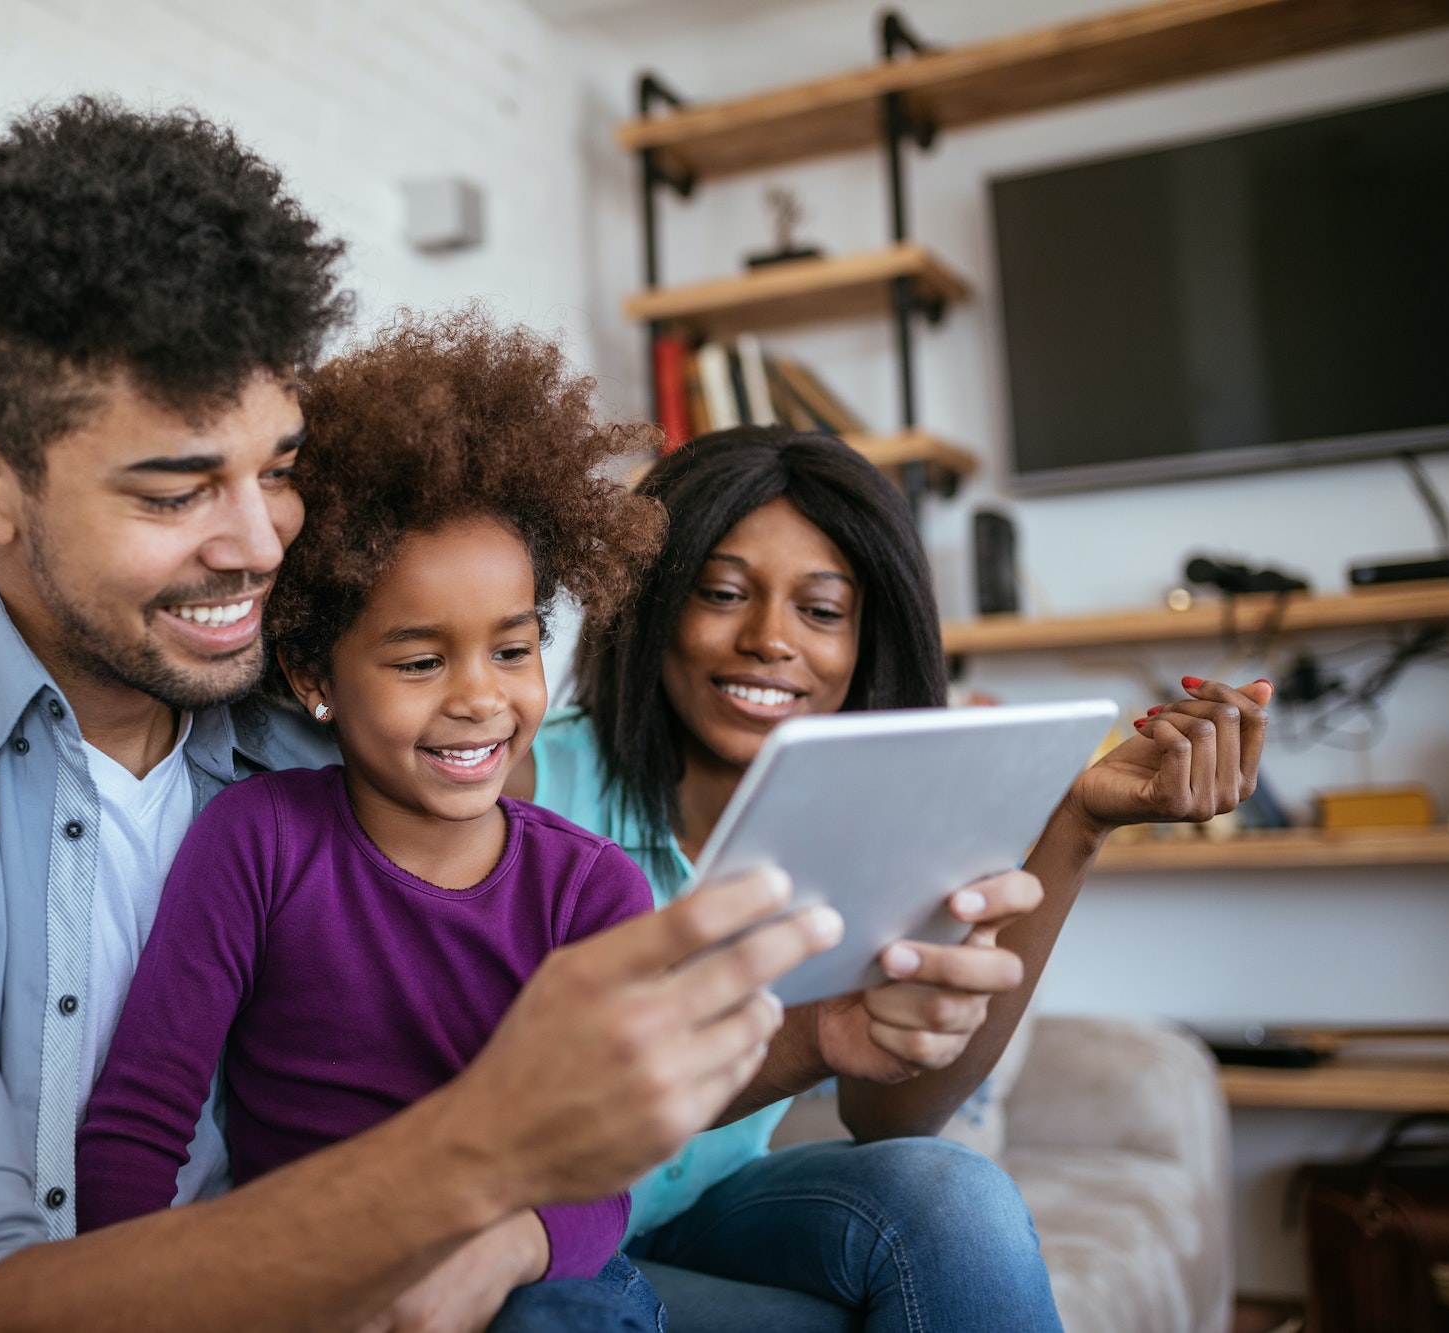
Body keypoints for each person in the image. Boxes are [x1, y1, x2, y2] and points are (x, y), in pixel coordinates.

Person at [0, 99, 841, 1333]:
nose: (257, 543)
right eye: (175, 493)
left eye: (277, 470)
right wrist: (476, 1150)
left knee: (913, 1227)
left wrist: (821, 1021)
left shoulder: (312, 740)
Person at [509, 426, 1273, 1331]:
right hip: (536, 1238)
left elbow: (893, 1111)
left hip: (701, 1214)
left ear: (869, 637)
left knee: (955, 1198)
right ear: (651, 600)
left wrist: (1079, 820)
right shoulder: (525, 786)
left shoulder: (872, 812)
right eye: (720, 593)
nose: (769, 640)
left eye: (823, 610)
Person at [77, 312, 676, 1330]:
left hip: (532, 1277)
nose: (480, 698)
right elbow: (137, 1125)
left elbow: (599, 1179)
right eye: (417, 661)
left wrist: (497, 1253)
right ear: (313, 674)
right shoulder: (255, 842)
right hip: (311, 1277)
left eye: (513, 649)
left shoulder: (592, 888)